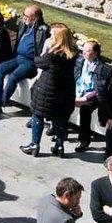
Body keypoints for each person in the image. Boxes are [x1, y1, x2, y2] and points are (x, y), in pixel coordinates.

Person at [26, 25, 80, 158]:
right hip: (65, 92)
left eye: (52, 36)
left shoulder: (52, 56)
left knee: (38, 115)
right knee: (60, 119)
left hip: (47, 92)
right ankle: (59, 146)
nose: (50, 38)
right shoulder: (73, 53)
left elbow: (38, 61)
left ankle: (34, 145)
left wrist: (47, 47)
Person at [0, 4, 45, 116]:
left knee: (13, 77)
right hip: (18, 57)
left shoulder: (42, 30)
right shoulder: (24, 25)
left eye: (27, 16)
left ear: (36, 18)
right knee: (0, 69)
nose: (24, 18)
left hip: (30, 62)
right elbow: (10, 26)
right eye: (24, 15)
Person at [73, 38, 112, 152]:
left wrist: (85, 98)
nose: (83, 52)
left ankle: (84, 140)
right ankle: (58, 130)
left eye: (87, 51)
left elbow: (100, 90)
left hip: (93, 95)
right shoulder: (80, 61)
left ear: (95, 53)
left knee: (85, 109)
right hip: (78, 90)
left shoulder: (103, 69)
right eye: (83, 50)